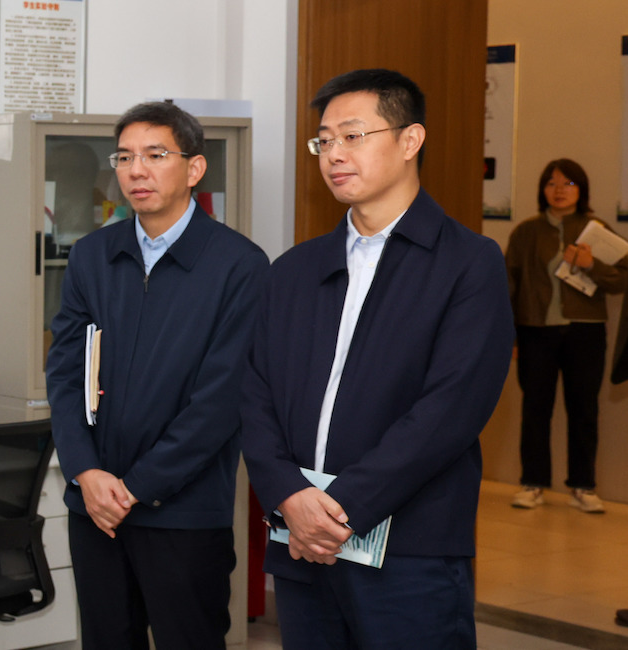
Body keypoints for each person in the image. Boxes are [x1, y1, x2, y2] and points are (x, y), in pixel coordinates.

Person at [241, 69, 512, 648]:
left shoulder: (468, 263)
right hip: (302, 544)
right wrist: (289, 497)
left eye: (353, 136)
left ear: (410, 140)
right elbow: (254, 394)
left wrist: (339, 508)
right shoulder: (294, 270)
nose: (334, 154)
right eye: (324, 141)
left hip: (409, 551)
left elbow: (450, 410)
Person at [44, 102, 268, 649]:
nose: (136, 170)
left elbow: (221, 401)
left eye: (155, 155)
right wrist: (85, 471)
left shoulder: (238, 265)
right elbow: (66, 372)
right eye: (124, 157)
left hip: (183, 514)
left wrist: (136, 488)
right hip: (96, 509)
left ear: (195, 168)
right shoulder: (93, 255)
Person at [505, 158, 624, 514]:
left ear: (581, 189)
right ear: (542, 189)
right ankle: (533, 483)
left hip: (585, 331)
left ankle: (583, 486)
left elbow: (621, 279)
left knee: (584, 409)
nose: (559, 191)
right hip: (535, 331)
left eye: (568, 184)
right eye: (551, 183)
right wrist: (510, 335)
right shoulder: (526, 232)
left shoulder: (596, 229)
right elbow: (508, 285)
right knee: (535, 408)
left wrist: (591, 265)